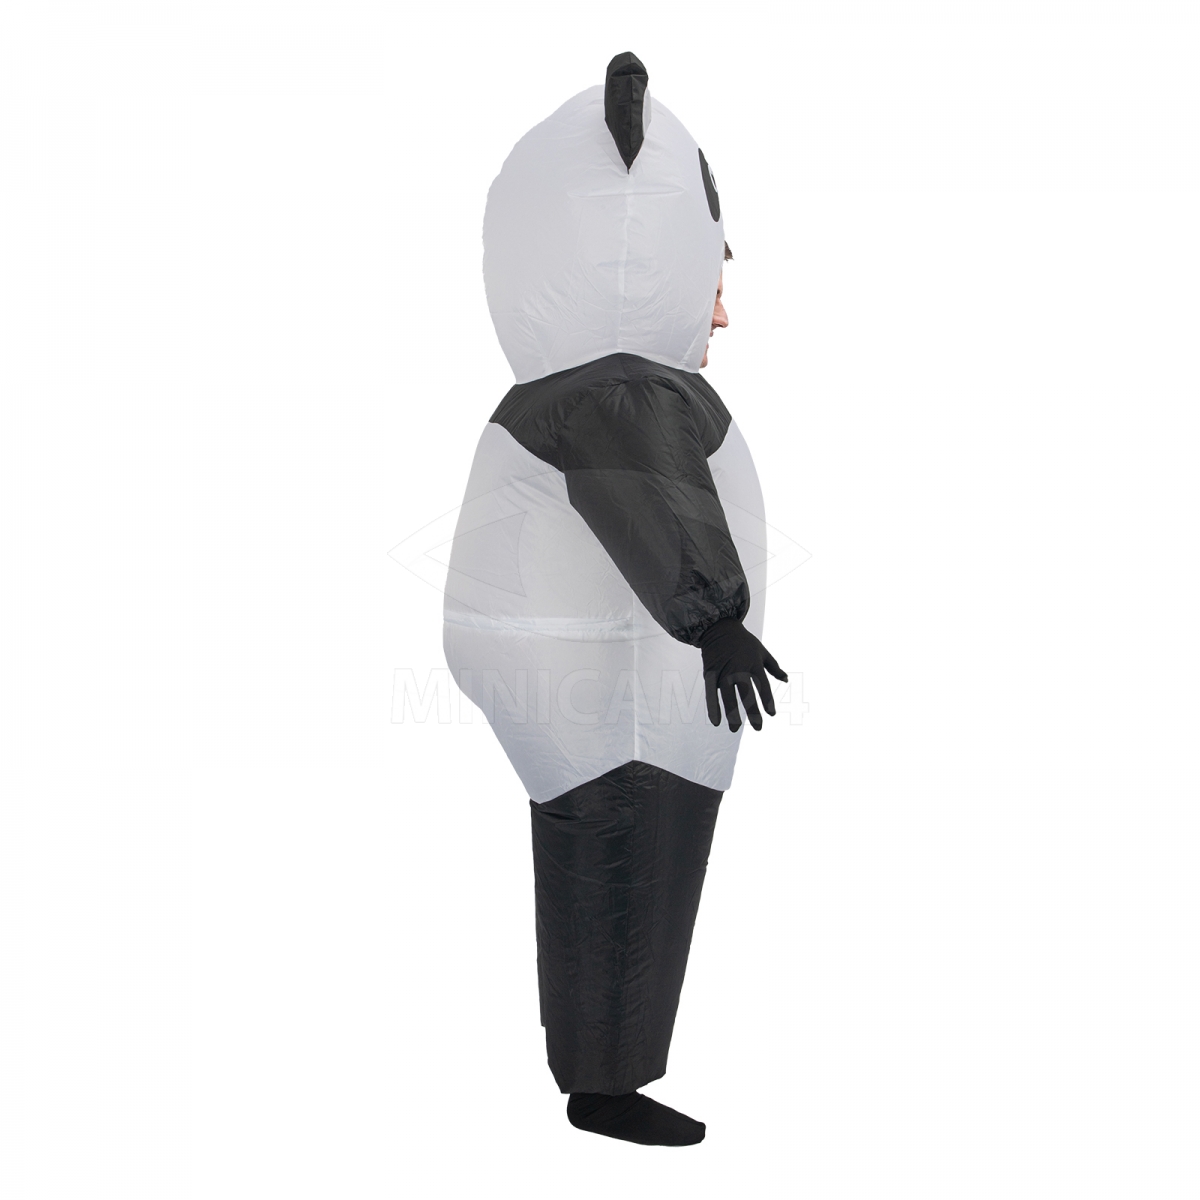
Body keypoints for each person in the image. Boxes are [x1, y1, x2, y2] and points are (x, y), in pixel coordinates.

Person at [443, 53, 786, 1146]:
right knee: (634, 849)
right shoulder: (625, 385)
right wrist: (714, 619)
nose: (722, 312)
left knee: (607, 848)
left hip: (589, 660)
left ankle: (598, 1067)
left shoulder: (570, 381)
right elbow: (644, 475)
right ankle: (605, 1084)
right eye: (714, 270)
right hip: (623, 673)